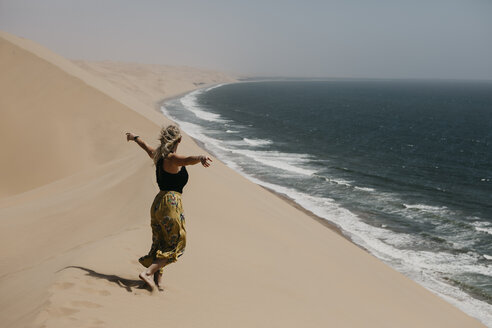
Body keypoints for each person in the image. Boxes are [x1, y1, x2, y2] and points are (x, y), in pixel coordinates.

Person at [126, 125, 212, 291]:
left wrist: (134, 137)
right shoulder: (173, 158)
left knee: (161, 242)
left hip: (158, 203)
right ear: (179, 140)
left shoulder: (158, 156)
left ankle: (157, 283)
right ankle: (148, 273)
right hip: (171, 204)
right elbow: (187, 160)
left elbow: (144, 145)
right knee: (176, 243)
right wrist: (201, 157)